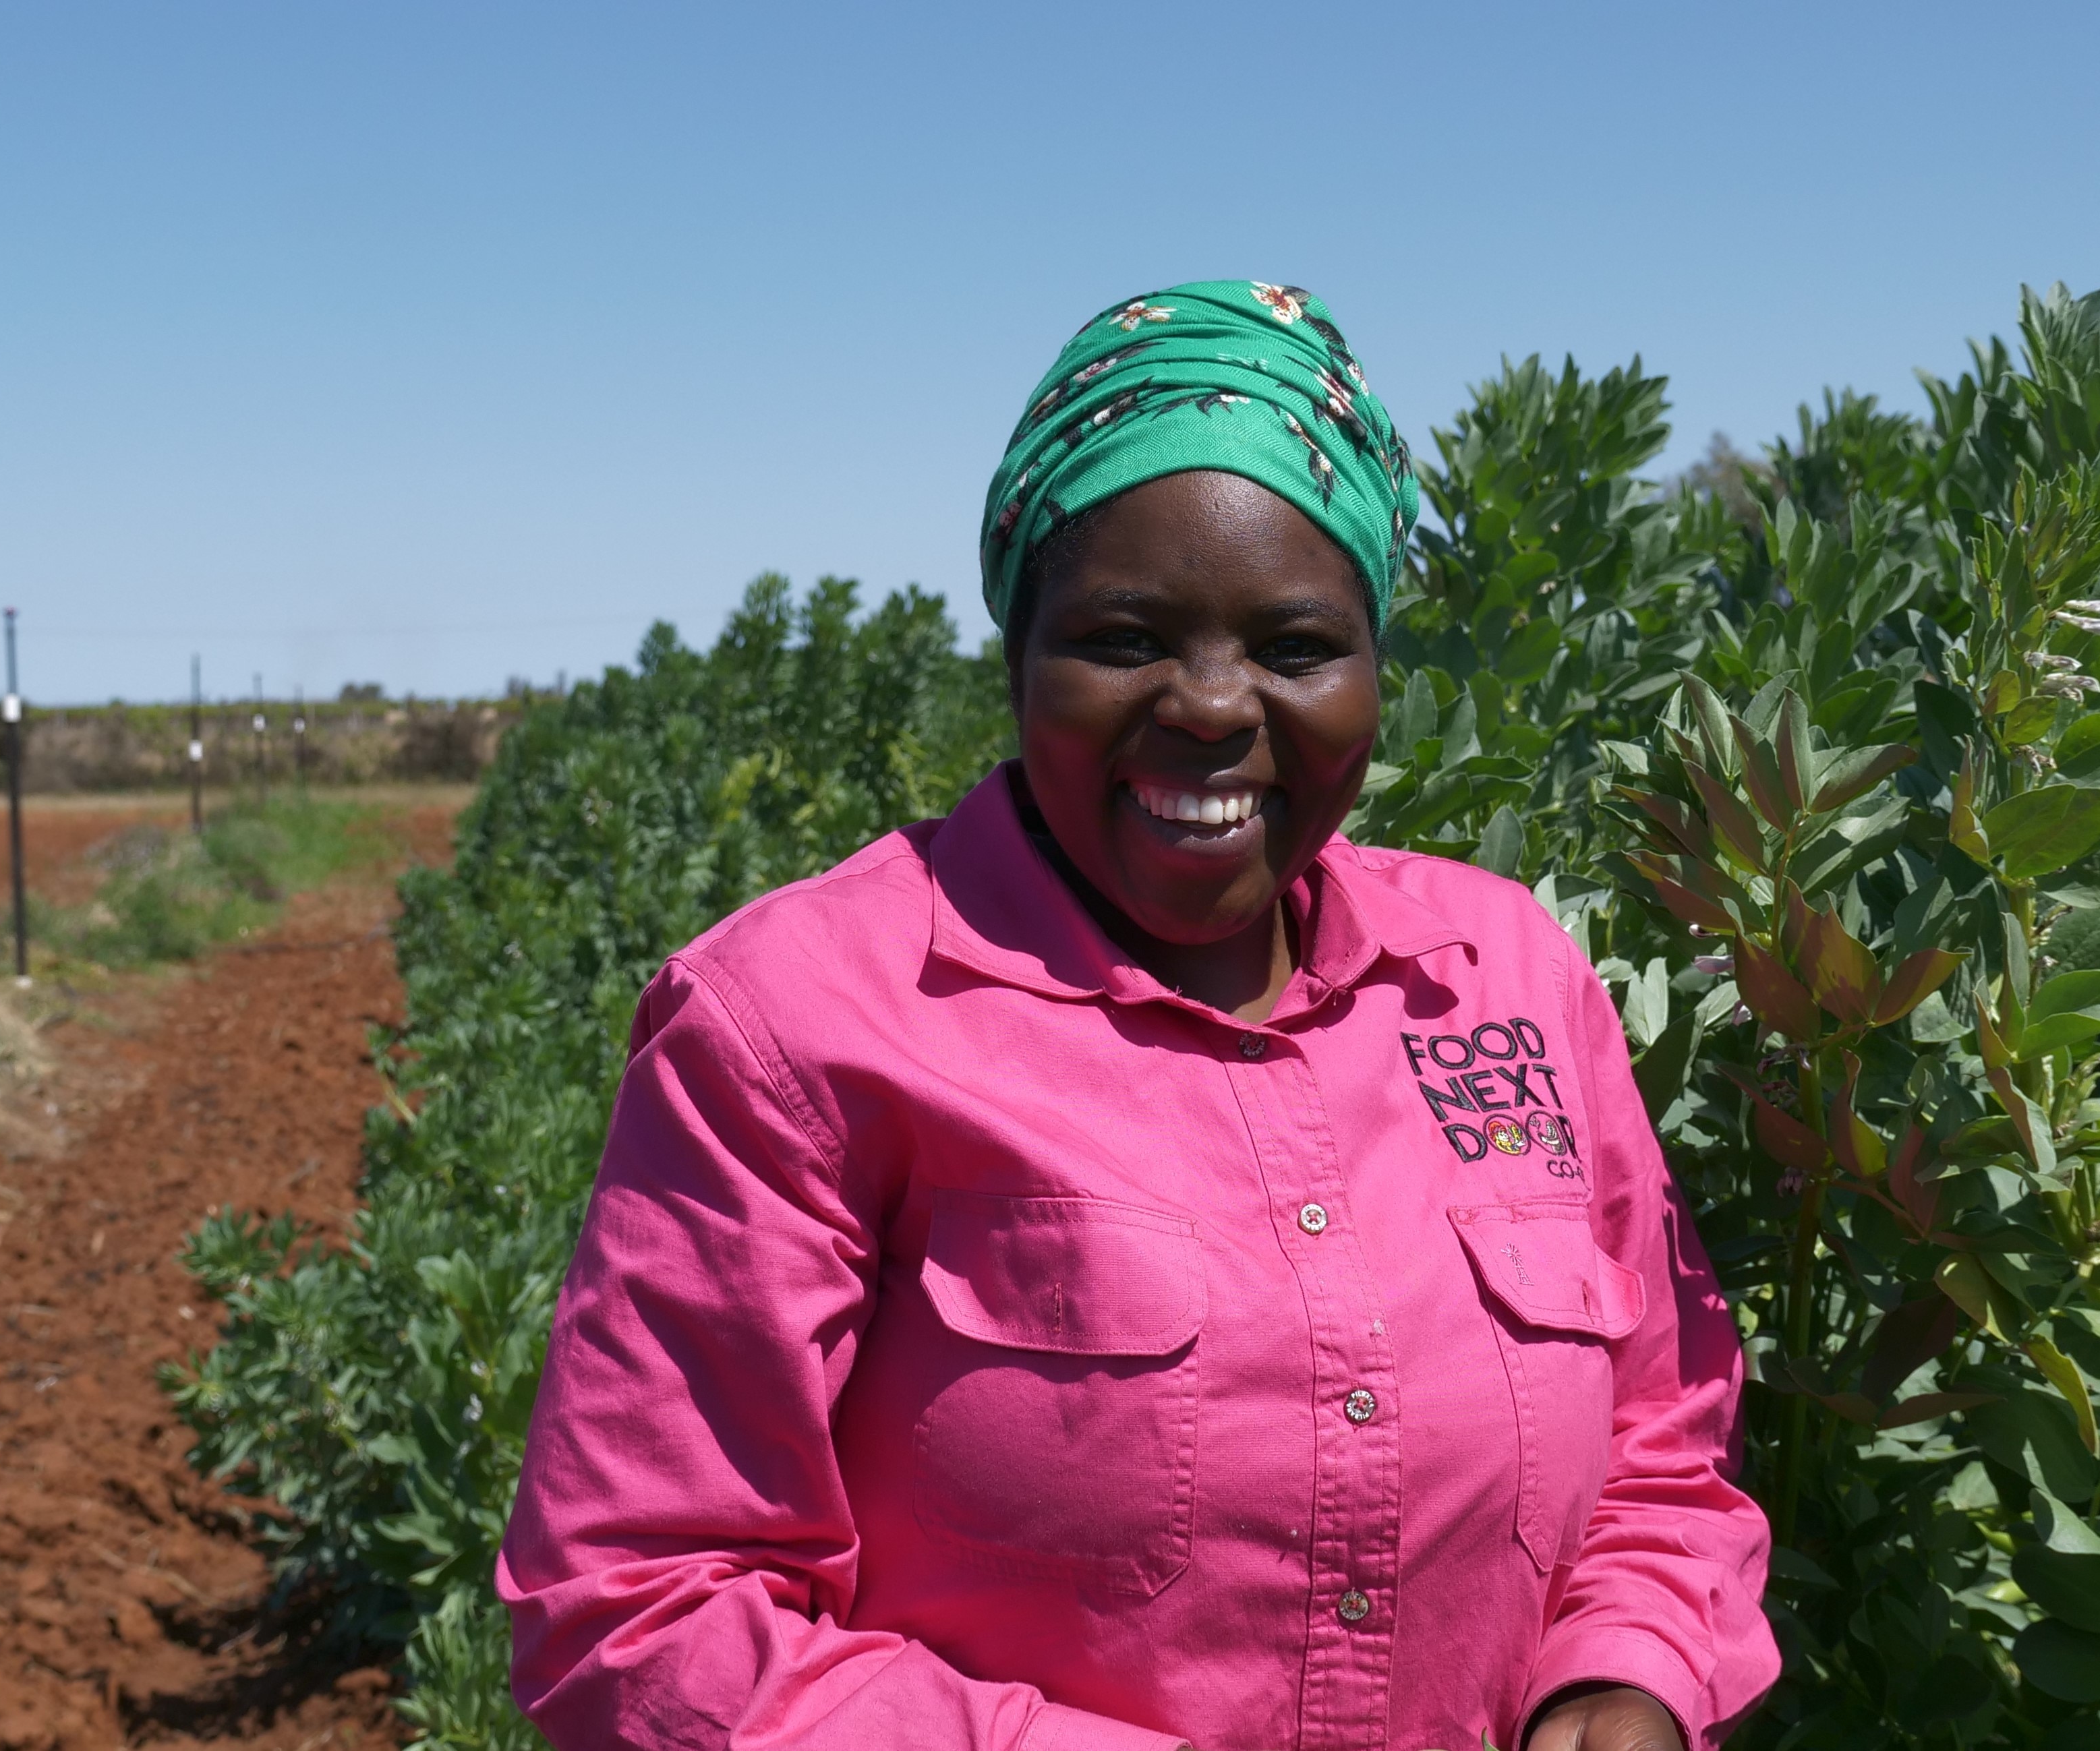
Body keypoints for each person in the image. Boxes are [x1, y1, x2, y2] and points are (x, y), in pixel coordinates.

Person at [498, 281, 1776, 1750]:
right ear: (1015, 652)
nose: (1214, 706)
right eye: (1122, 637)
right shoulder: (792, 1024)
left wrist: (1625, 1677)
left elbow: (1662, 1449)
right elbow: (638, 1606)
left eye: (1295, 647)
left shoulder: (1506, 977)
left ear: (1372, 673)